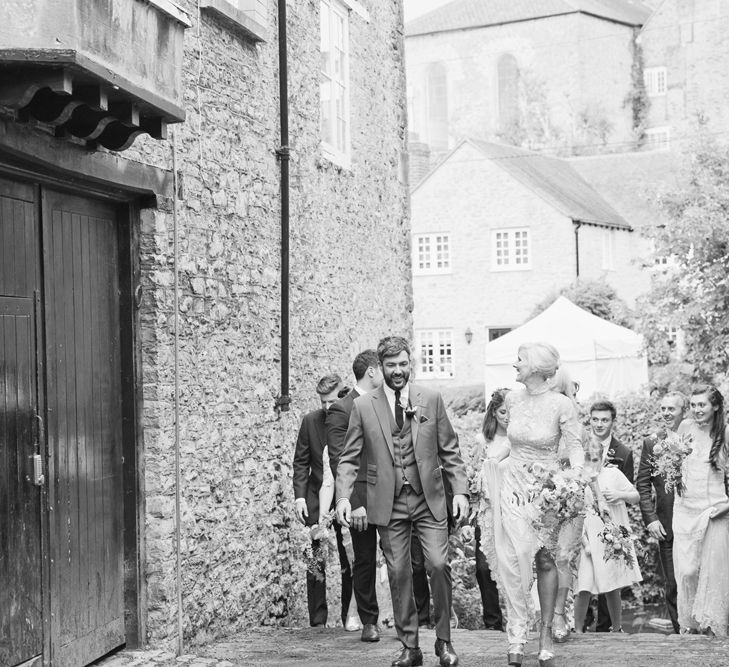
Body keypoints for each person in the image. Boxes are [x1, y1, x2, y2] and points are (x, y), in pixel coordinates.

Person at [336, 335, 469, 667]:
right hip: (389, 503)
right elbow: (349, 457)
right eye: (391, 365)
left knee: (438, 565)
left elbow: (450, 450)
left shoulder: (432, 399)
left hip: (428, 498)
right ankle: (411, 646)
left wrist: (462, 491)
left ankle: (444, 641)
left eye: (403, 364)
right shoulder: (364, 406)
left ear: (412, 364)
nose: (398, 371)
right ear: (381, 368)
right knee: (398, 572)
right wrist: (343, 496)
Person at [479, 342, 584, 667]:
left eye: (520, 360)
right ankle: (516, 633)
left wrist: (576, 477)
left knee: (544, 560)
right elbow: (513, 441)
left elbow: (575, 446)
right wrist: (491, 460)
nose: (515, 364)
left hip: (545, 489)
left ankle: (546, 633)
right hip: (512, 487)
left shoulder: (561, 405)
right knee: (513, 561)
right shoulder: (511, 399)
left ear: (537, 367)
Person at [326, 350, 384, 641]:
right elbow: (339, 459)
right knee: (364, 559)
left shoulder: (389, 402)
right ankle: (369, 620)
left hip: (390, 495)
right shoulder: (341, 409)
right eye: (384, 367)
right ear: (372, 371)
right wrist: (355, 502)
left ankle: (405, 622)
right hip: (360, 496)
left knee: (401, 559)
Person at [292, 373, 352, 627]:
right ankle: (317, 621)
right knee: (314, 563)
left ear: (343, 392)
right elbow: (301, 462)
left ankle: (351, 615)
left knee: (349, 561)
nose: (327, 407)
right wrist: (299, 498)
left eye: (332, 400)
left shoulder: (352, 417)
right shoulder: (310, 421)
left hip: (348, 500)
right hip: (319, 503)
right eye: (323, 401)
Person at [573, 426, 642, 635]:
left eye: (596, 459)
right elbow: (576, 511)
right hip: (587, 536)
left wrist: (620, 495)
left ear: (603, 457)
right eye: (588, 459)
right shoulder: (578, 480)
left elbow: (636, 496)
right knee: (584, 585)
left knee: (613, 583)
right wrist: (582, 540)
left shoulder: (613, 474)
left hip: (609, 537)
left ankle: (617, 626)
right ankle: (577, 629)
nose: (592, 464)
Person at [673, 385, 729, 636]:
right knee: (686, 571)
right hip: (685, 510)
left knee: (711, 572)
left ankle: (711, 627)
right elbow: (674, 466)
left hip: (714, 510)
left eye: (702, 405)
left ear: (715, 406)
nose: (696, 410)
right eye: (693, 405)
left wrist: (726, 506)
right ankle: (691, 623)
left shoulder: (725, 432)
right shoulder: (684, 427)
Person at [636, 391, 687, 634]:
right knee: (673, 583)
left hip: (694, 520)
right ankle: (680, 632)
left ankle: (700, 629)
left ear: (683, 411)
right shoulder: (651, 442)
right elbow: (643, 484)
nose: (666, 413)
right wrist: (651, 519)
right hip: (666, 522)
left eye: (671, 409)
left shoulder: (695, 439)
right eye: (663, 409)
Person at [585, 400, 634, 633]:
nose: (599, 424)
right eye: (595, 419)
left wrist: (619, 496)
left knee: (610, 574)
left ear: (613, 422)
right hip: (586, 520)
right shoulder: (579, 447)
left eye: (605, 419)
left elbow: (631, 491)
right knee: (584, 576)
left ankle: (607, 627)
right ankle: (581, 624)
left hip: (611, 522)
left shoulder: (623, 452)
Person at [470, 388, 508, 631]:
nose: (508, 417)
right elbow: (472, 477)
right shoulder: (482, 441)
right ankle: (492, 622)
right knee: (484, 568)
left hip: (513, 512)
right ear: (494, 412)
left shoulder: (522, 440)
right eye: (504, 412)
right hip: (487, 512)